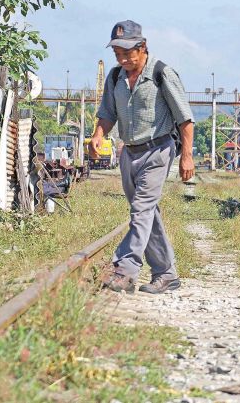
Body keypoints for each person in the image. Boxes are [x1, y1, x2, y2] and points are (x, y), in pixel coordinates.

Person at [91, 20, 195, 294]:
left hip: (158, 150)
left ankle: (124, 271)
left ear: (143, 47)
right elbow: (107, 113)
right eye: (118, 53)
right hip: (129, 153)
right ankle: (166, 274)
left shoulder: (161, 73)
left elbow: (185, 119)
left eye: (127, 53)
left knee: (141, 210)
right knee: (147, 214)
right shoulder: (115, 77)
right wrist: (98, 134)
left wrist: (187, 157)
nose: (123, 59)